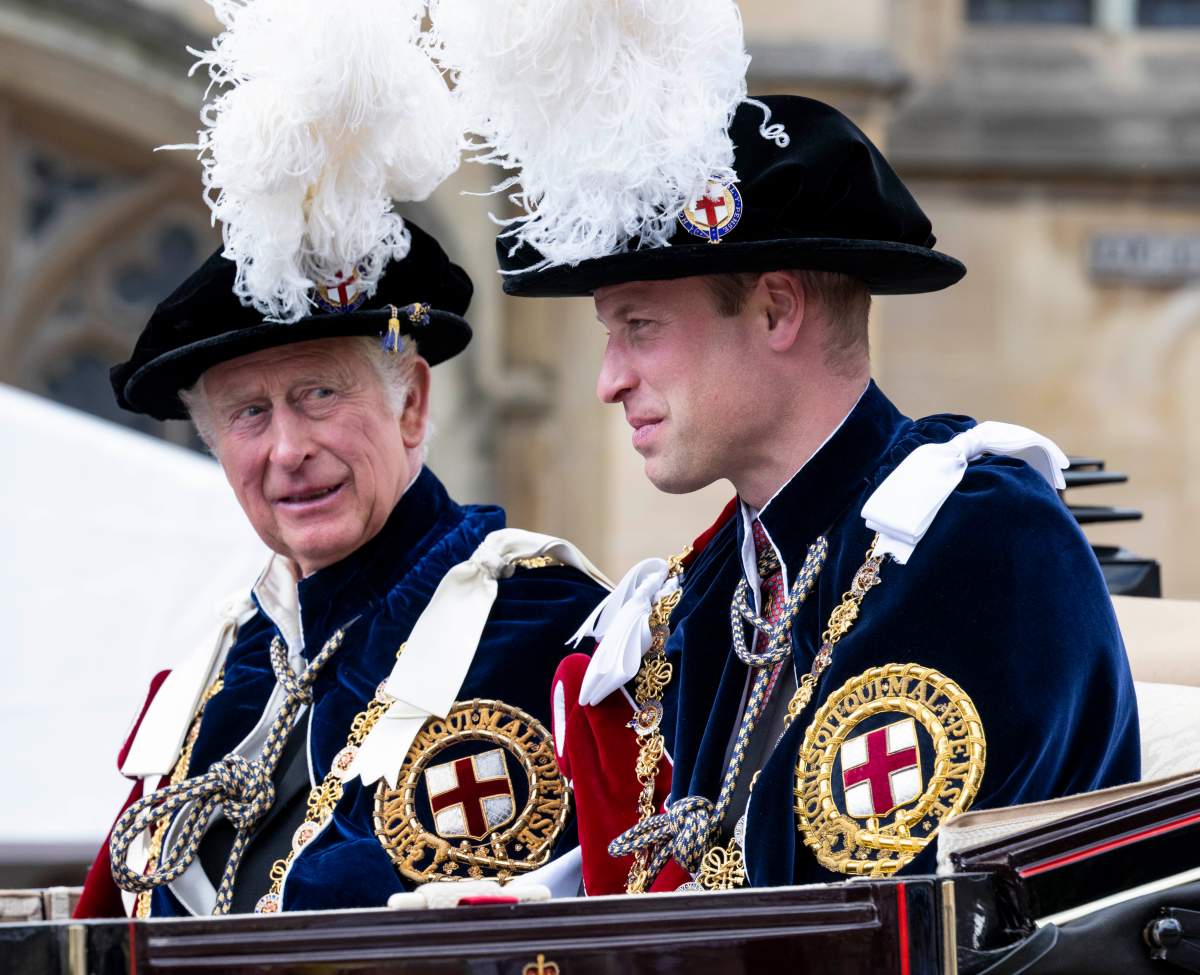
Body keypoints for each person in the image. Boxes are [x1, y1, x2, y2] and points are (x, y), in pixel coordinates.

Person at [492, 95, 1141, 893]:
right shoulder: (712, 594)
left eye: (640, 327)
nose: (609, 379)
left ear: (775, 309)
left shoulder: (978, 540)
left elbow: (876, 918)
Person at [74, 221, 610, 918]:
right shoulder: (216, 676)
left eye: (320, 393)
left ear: (411, 404)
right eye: (249, 413)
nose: (289, 448)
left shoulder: (541, 625)